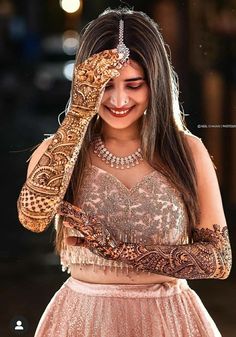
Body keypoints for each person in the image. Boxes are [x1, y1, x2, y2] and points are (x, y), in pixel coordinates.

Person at [17, 7, 232, 337]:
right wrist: (77, 116)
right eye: (105, 86)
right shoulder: (59, 152)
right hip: (83, 319)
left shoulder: (187, 152)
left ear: (155, 84)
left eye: (134, 85)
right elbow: (33, 217)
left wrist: (117, 250)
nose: (118, 99)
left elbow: (218, 260)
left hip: (169, 320)